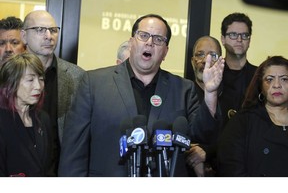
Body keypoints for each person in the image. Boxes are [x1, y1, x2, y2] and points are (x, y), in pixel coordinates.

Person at [58, 13, 225, 177]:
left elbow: (203, 134)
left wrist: (210, 93)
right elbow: (74, 152)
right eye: (143, 35)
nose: (150, 43)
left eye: (158, 39)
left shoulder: (183, 89)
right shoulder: (93, 83)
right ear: (131, 43)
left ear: (165, 52)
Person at [20, 10, 85, 173]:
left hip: (59, 171)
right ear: (23, 36)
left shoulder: (78, 76)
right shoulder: (8, 74)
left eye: (53, 30)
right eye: (40, 30)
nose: (49, 36)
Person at [217, 55, 288, 177]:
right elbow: (230, 168)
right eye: (269, 79)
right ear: (260, 86)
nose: (277, 85)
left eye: (284, 79)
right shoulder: (243, 121)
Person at [0, 52, 56, 177]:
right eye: (30, 80)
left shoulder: (43, 119)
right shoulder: (2, 121)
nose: (38, 86)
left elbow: (49, 168)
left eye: (41, 79)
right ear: (11, 83)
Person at [186, 36, 223, 177]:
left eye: (212, 55)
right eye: (199, 54)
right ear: (192, 61)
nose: (205, 61)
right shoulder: (183, 94)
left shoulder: (233, 95)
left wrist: (208, 151)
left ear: (221, 60)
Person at [219, 12, 257, 127]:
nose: (239, 39)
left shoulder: (259, 75)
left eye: (245, 35)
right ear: (223, 39)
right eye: (233, 35)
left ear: (249, 41)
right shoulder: (214, 73)